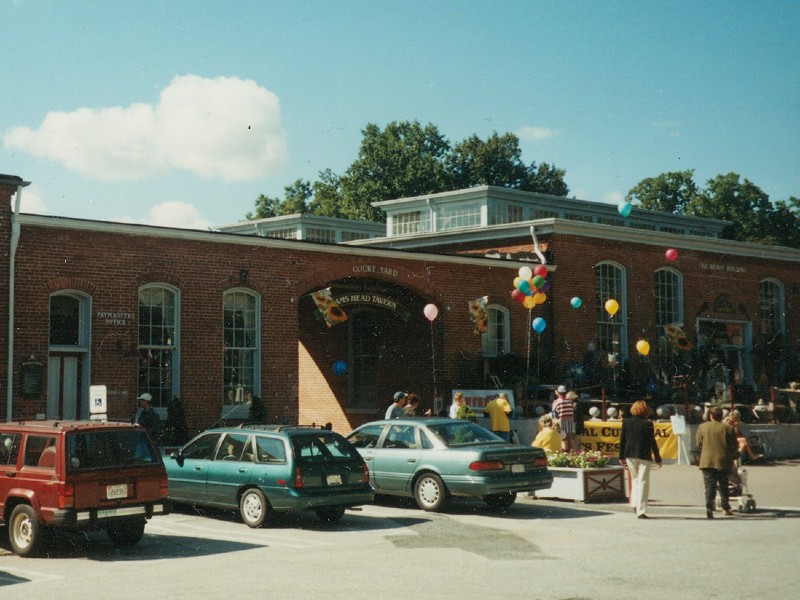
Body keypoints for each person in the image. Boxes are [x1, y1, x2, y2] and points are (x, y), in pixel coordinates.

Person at [619, 400, 662, 519]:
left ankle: (634, 503)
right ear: (645, 410)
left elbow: (622, 440)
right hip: (644, 455)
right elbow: (652, 442)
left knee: (635, 479)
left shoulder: (626, 422)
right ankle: (641, 510)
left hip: (630, 455)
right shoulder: (648, 424)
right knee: (643, 482)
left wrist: (621, 456)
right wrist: (658, 457)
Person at [697, 405, 739, 519]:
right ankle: (725, 507)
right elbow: (734, 445)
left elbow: (699, 443)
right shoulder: (728, 428)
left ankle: (709, 507)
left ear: (710, 416)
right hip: (723, 460)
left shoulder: (702, 427)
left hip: (707, 460)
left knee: (709, 485)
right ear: (722, 416)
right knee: (724, 485)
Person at [551, 385, 575, 452]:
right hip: (570, 423)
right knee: (571, 440)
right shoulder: (570, 402)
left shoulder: (556, 402)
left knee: (563, 440)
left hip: (560, 423)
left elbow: (554, 415)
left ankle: (564, 455)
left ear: (558, 393)